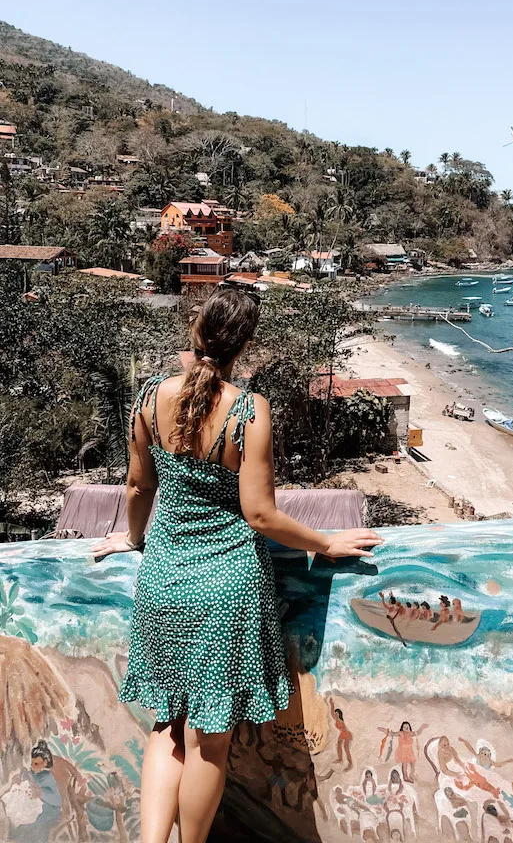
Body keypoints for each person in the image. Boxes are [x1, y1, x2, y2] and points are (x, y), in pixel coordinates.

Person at [93, 287, 381, 843]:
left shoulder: (151, 397)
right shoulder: (248, 410)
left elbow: (136, 486)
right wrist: (325, 545)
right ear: (244, 345)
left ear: (196, 330)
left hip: (164, 579)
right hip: (227, 586)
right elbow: (260, 514)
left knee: (166, 725)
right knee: (210, 737)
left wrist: (134, 542)